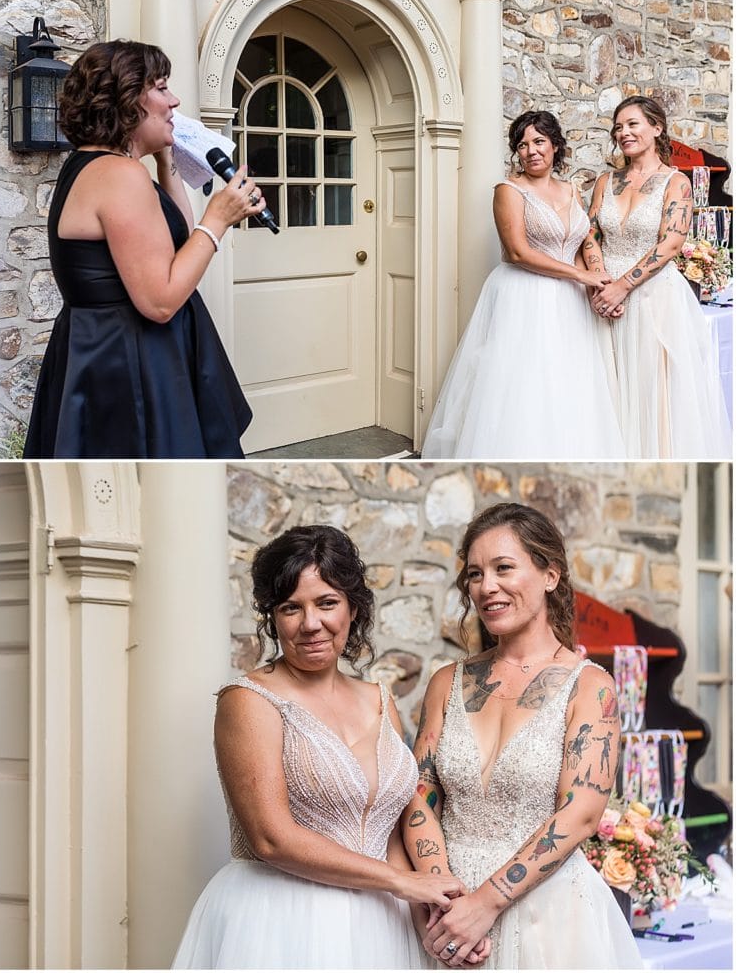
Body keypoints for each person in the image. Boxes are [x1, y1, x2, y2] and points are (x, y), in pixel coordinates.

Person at [172, 525, 483, 969]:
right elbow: (271, 839)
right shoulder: (249, 701)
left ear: (353, 608)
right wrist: (401, 882)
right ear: (272, 618)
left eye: (327, 603)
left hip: (381, 925)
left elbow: (392, 832)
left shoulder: (380, 700)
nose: (311, 623)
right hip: (283, 920)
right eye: (290, 608)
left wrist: (433, 929)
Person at [402, 503, 641, 969]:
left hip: (546, 912)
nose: (486, 586)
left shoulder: (590, 687)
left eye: (503, 568)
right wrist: (443, 901)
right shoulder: (445, 682)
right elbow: (419, 794)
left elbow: (581, 814)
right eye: (474, 573)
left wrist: (485, 905)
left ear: (550, 575)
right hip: (447, 914)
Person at [23, 39, 260, 459]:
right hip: (129, 360)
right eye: (163, 88)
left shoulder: (101, 165)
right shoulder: (117, 175)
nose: (175, 101)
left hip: (118, 350)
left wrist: (167, 157)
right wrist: (219, 218)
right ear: (129, 100)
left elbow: (177, 248)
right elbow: (160, 301)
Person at [421, 110, 624, 460]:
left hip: (569, 301)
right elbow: (517, 252)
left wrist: (598, 286)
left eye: (539, 142)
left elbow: (582, 242)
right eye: (523, 144)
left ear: (555, 146)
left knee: (566, 382)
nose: (531, 150)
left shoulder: (572, 189)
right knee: (523, 385)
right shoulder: (508, 190)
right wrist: (582, 276)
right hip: (524, 296)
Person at [584, 95, 731, 458]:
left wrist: (622, 287)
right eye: (618, 127)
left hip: (653, 298)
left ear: (656, 128)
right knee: (606, 386)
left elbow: (670, 243)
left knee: (651, 390)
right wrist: (600, 282)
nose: (624, 133)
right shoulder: (605, 181)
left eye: (633, 124)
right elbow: (589, 234)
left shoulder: (676, 182)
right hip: (602, 297)